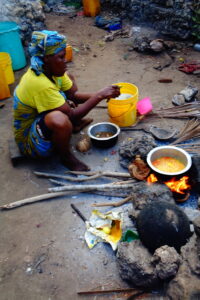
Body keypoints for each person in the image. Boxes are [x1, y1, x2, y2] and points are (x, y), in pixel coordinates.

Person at [13, 30, 120, 171]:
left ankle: (73, 127)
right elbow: (70, 115)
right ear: (46, 58)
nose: (66, 61)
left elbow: (73, 95)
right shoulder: (39, 83)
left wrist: (105, 94)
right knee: (60, 119)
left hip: (41, 117)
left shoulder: (51, 69)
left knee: (68, 76)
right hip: (30, 142)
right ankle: (66, 157)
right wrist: (99, 95)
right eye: (61, 57)